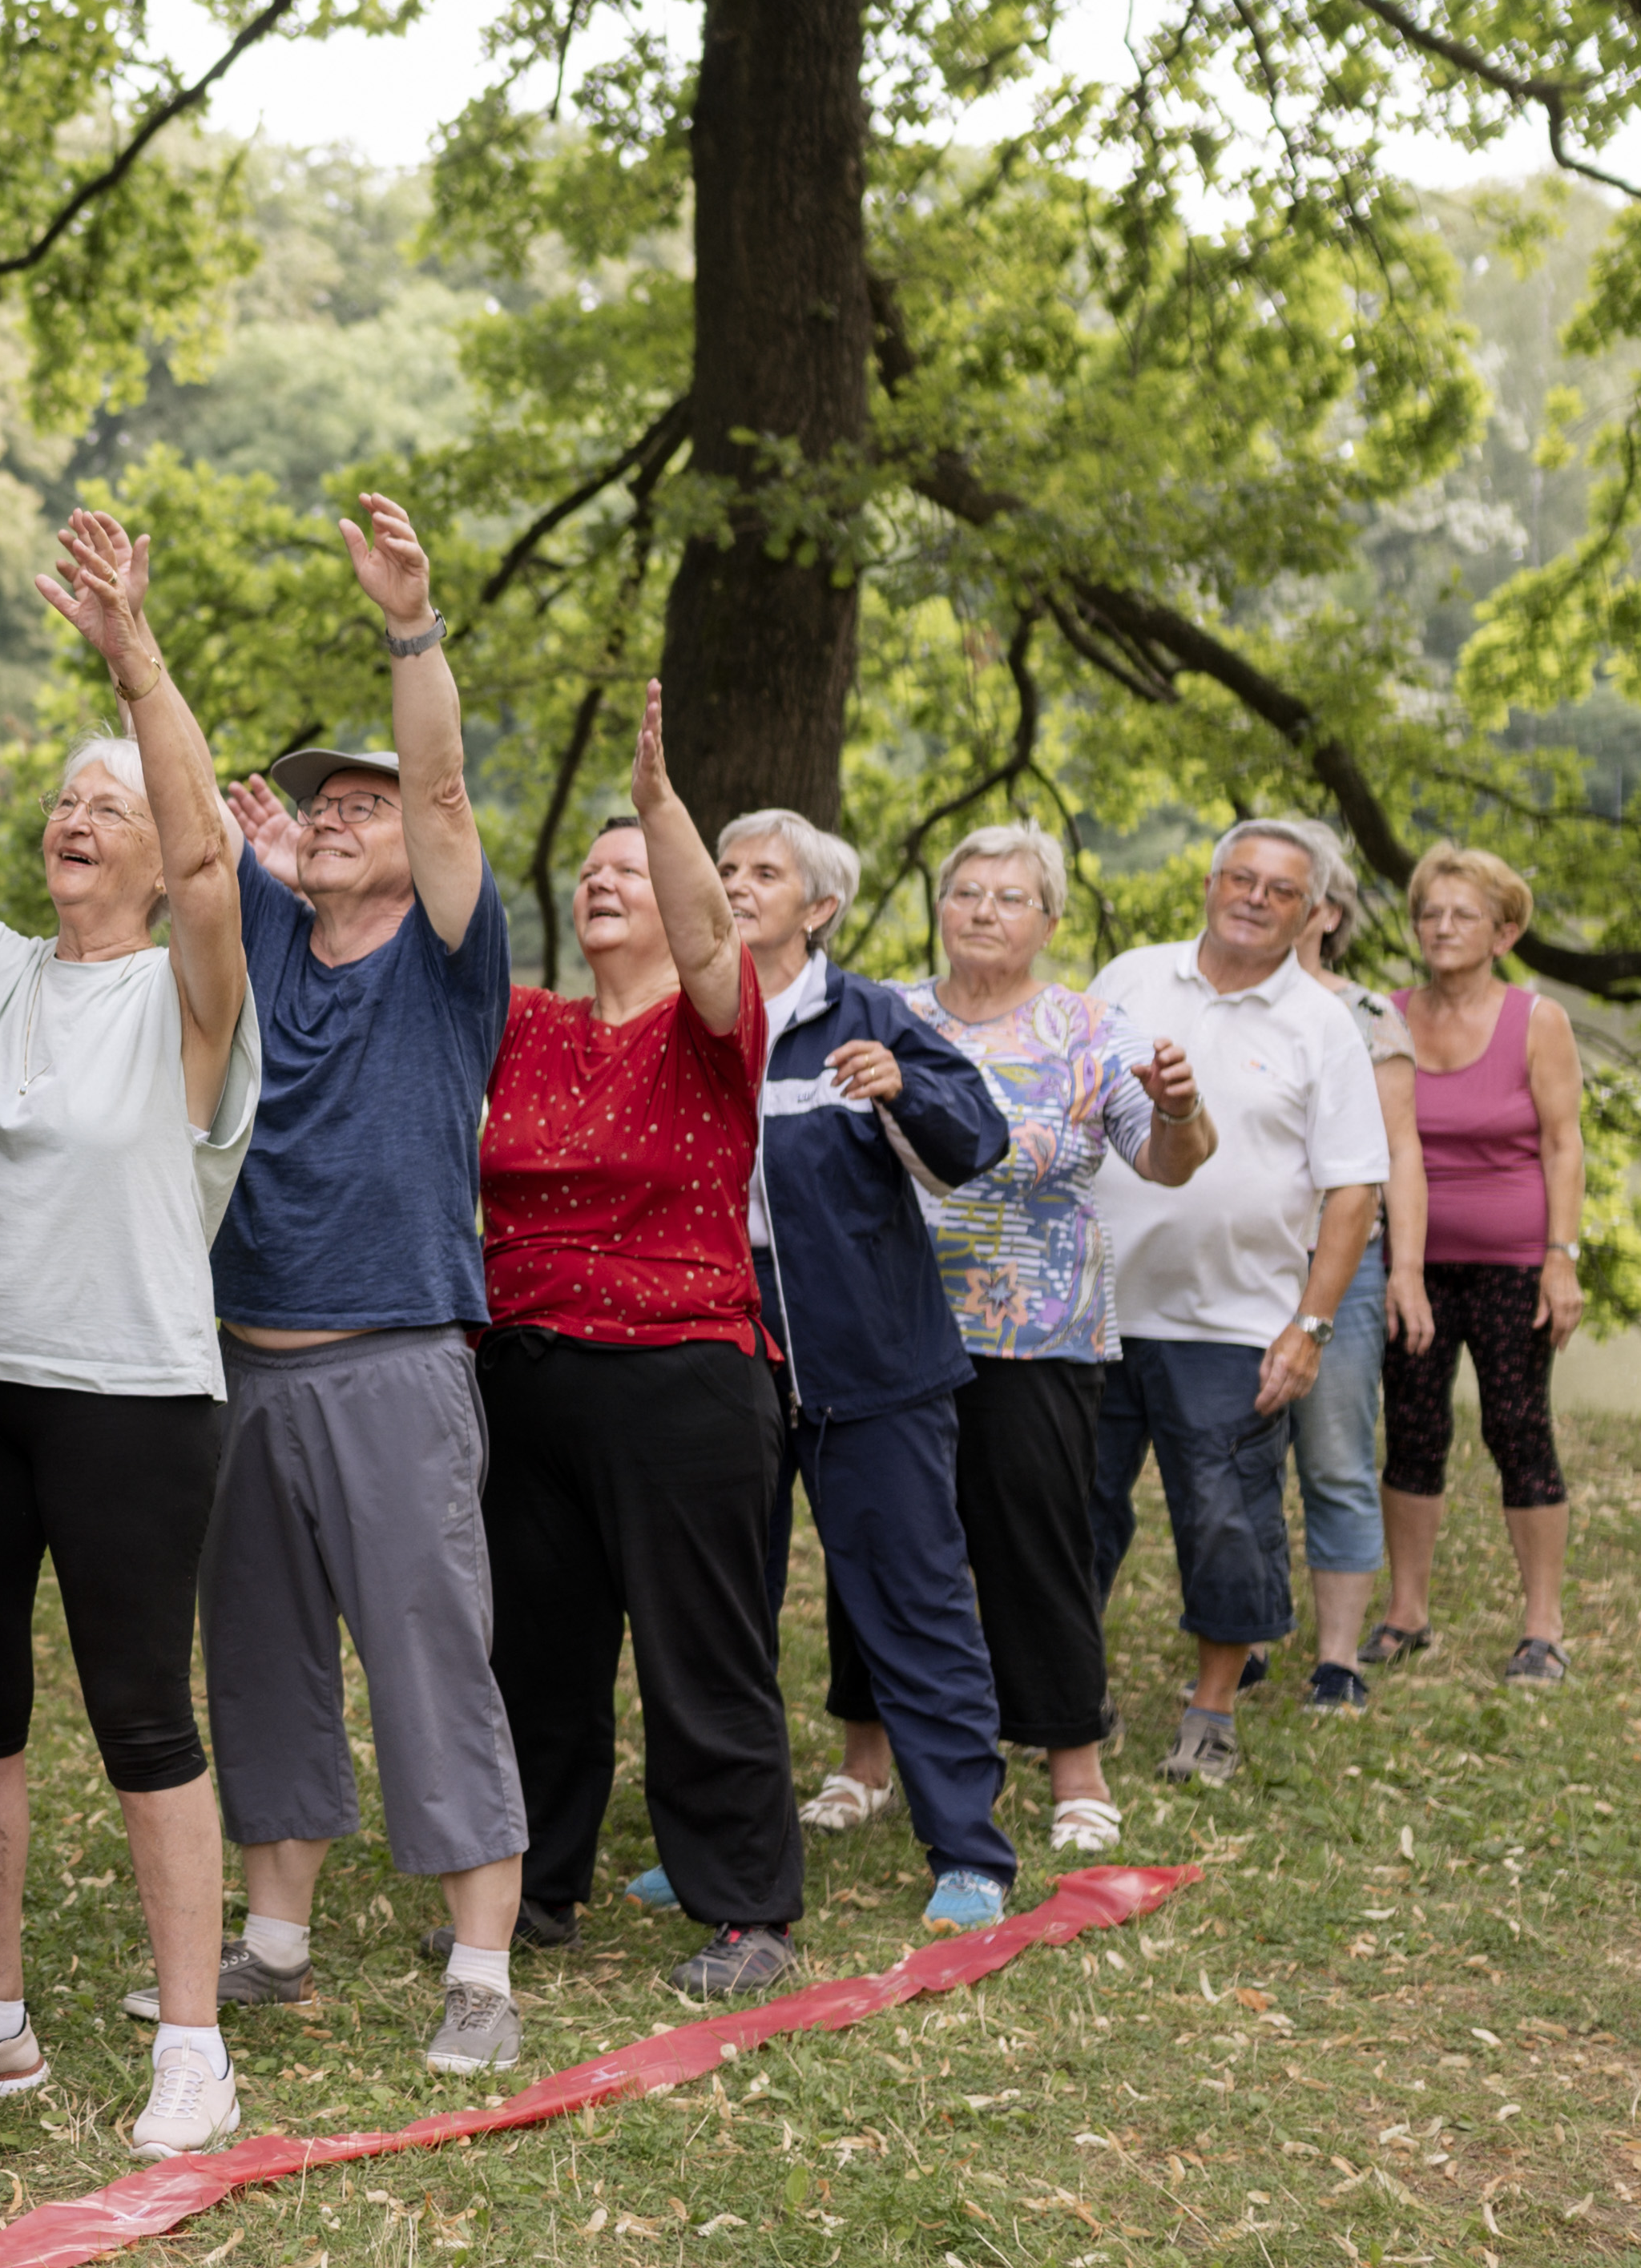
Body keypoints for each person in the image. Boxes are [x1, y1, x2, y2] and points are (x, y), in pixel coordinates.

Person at [0, 510, 261, 2154]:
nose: (76, 817)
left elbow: (211, 863)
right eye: (64, 796)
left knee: (140, 1707)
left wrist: (133, 649)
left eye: (106, 801)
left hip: (130, 1394)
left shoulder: (194, 997)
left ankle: (193, 2038)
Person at [175, 491, 531, 2068]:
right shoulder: (262, 925)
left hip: (394, 1358)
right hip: (240, 1360)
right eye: (318, 803)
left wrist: (411, 624)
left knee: (426, 1651)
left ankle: (482, 1970)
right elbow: (188, 816)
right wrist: (131, 648)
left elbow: (442, 783)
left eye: (360, 806)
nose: (332, 813)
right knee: (258, 1650)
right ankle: (273, 1939)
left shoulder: (448, 956)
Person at [470, 698, 792, 1996]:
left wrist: (660, 804)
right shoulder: (528, 1023)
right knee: (535, 1649)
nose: (604, 877)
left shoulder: (713, 1024)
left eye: (632, 867)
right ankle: (537, 1881)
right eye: (588, 867)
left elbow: (712, 930)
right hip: (523, 1367)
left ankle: (745, 1907)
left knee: (697, 1648)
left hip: (678, 1371)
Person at [711, 808, 1018, 1936]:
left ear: (820, 907)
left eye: (764, 872)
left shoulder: (871, 1014)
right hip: (719, 1366)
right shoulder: (682, 1012)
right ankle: (719, 1844)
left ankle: (971, 1854)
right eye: (725, 868)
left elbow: (976, 1144)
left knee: (916, 1610)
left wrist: (903, 1086)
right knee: (717, 1615)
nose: (737, 884)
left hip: (877, 1372)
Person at [884, 826, 1214, 1855]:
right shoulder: (889, 1016)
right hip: (893, 1327)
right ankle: (867, 1763)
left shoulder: (1091, 1029)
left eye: (1010, 896)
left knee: (1038, 1551)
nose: (984, 909)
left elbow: (1170, 1162)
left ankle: (1075, 1766)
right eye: (967, 892)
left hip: (1041, 1333)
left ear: (1050, 920)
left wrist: (1182, 1109)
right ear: (940, 907)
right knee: (891, 1542)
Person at [1087, 819, 1387, 1791]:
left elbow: (1353, 1188)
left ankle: (1210, 1713)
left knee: (1225, 1519)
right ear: (1211, 882)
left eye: (1282, 890)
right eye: (1241, 878)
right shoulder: (1131, 978)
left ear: (1313, 915)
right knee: (1071, 1514)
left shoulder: (1322, 1024)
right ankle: (1069, 1690)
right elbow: (1063, 1100)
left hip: (1233, 1322)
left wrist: (1310, 1324)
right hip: (1092, 1309)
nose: (1256, 898)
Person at [1382, 844, 1588, 1681]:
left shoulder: (1536, 1021)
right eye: (1430, 912)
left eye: (1463, 914)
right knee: (1413, 1430)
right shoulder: (1386, 1015)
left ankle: (1543, 1625)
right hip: (1412, 1262)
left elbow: (1563, 1143)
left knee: (1516, 1424)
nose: (1441, 926)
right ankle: (1406, 1612)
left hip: (1513, 1262)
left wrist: (1561, 1258)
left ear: (1504, 931)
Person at [1288, 837, 1418, 1712]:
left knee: (1334, 1458)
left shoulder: (1367, 1013)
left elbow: (1398, 1151)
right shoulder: (1206, 1001)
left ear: (1329, 914)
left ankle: (1338, 1659)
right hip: (1234, 1271)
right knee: (1233, 1469)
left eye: (1297, 890)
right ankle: (1243, 1635)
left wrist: (1404, 1267)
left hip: (1344, 1268)